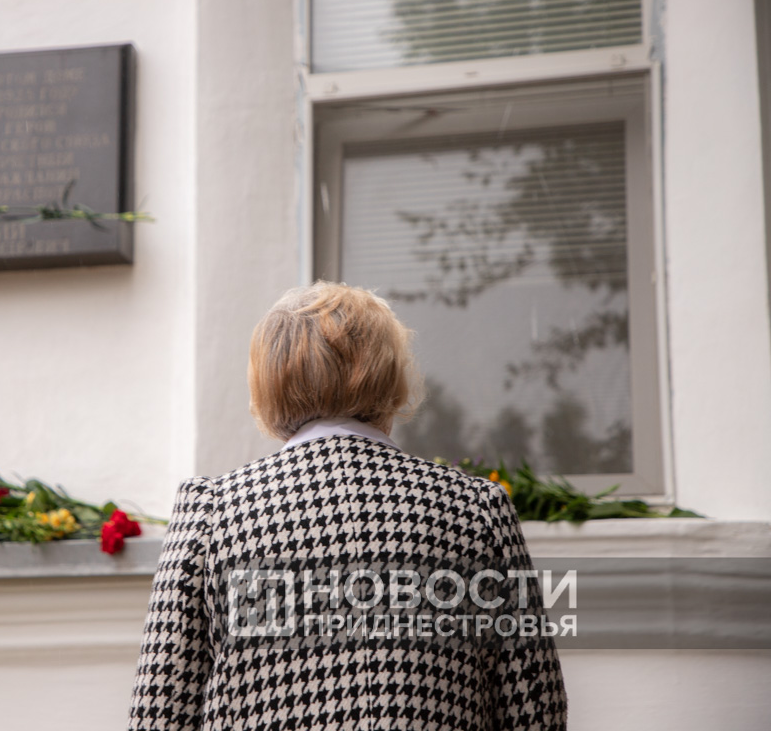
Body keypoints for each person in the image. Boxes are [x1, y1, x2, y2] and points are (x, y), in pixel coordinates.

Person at [128, 281, 567, 730]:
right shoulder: (475, 509)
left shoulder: (213, 512)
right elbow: (536, 706)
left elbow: (160, 710)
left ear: (268, 381)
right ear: (389, 374)